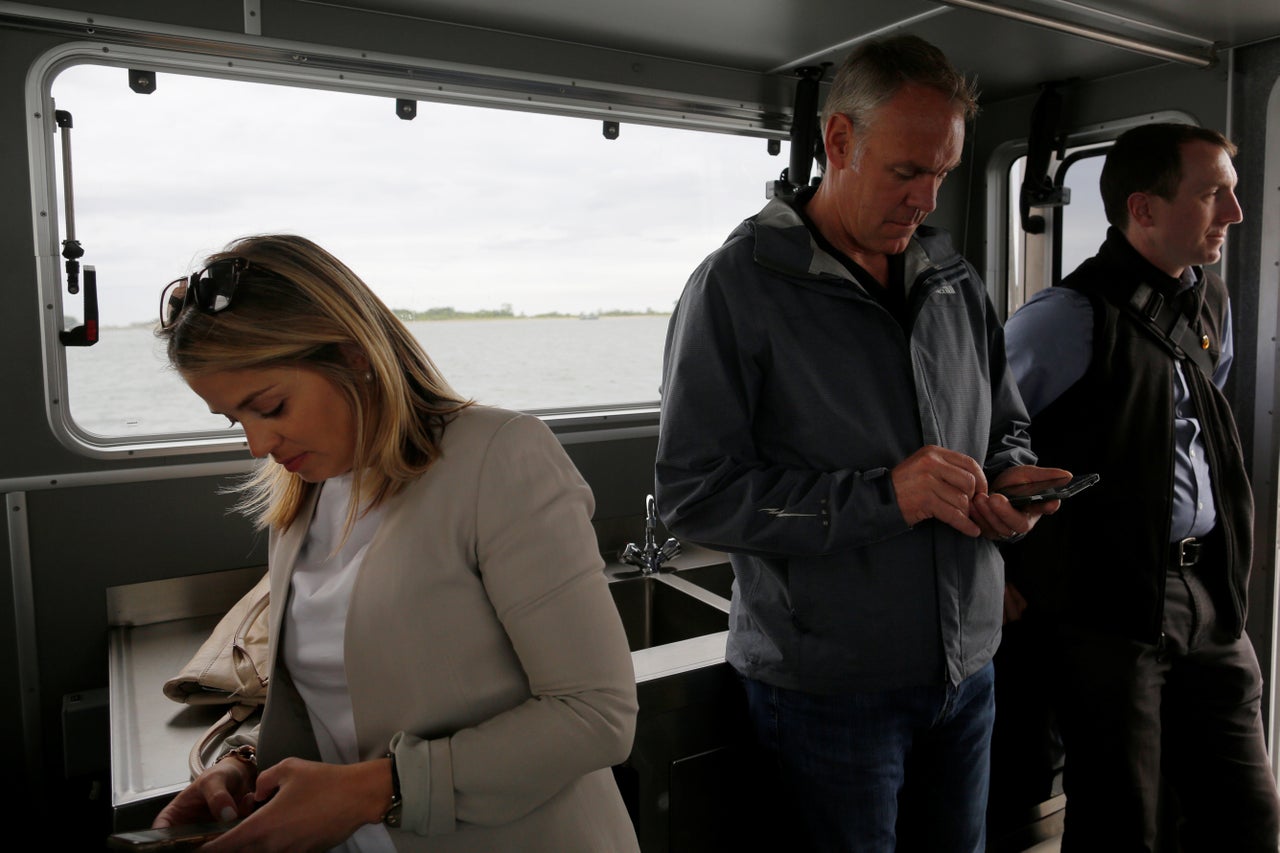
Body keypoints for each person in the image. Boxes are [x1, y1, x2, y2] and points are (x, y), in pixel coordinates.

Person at [654, 35, 1065, 852]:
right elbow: (695, 495)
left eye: (943, 173)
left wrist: (1014, 478)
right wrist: (888, 496)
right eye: (906, 171)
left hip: (968, 671)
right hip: (828, 692)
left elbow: (1003, 420)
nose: (926, 198)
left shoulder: (955, 280)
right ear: (839, 143)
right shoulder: (736, 288)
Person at [150, 235, 640, 852]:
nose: (257, 445)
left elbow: (597, 715)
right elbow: (338, 698)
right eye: (235, 421)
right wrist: (248, 765)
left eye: (270, 406)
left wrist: (370, 791)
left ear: (353, 353)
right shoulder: (303, 494)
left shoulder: (498, 457)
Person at [1003, 123, 1280, 851]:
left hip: (1207, 594)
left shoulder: (1209, 302)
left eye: (1234, 191)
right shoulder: (1063, 321)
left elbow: (1193, 424)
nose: (1235, 212)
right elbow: (979, 438)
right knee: (1125, 822)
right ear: (1144, 208)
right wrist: (992, 568)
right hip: (1107, 606)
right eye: (1213, 193)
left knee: (1248, 815)